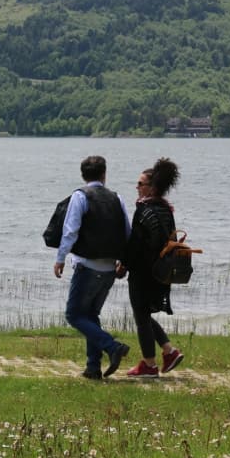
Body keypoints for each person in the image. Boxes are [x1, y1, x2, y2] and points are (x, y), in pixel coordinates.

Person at [54, 155, 132, 380]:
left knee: (74, 315)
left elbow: (70, 231)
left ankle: (112, 346)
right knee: (91, 315)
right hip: (109, 268)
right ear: (104, 174)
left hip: (86, 266)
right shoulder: (117, 198)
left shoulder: (80, 196)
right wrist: (123, 261)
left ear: (83, 175)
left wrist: (60, 258)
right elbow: (127, 233)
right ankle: (93, 367)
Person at [121, 158, 185, 378]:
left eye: (141, 184)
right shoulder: (166, 209)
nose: (137, 188)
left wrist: (123, 265)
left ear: (152, 187)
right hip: (160, 271)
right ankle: (169, 351)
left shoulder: (144, 209)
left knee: (141, 317)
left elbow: (135, 244)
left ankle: (149, 365)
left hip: (142, 272)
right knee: (145, 314)